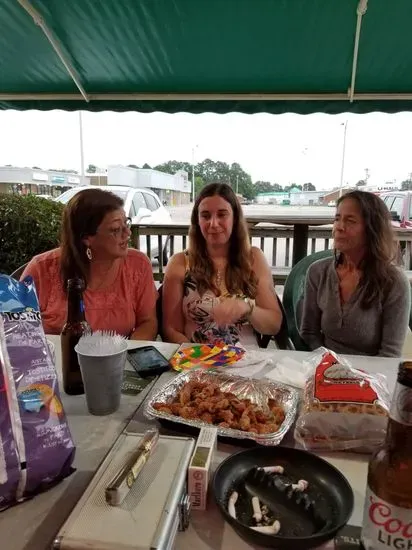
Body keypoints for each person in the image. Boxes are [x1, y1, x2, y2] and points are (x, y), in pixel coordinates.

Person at [21, 188, 158, 339]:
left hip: (120, 354)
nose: (127, 233)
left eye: (126, 224)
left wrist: (130, 351)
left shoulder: (137, 265)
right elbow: (16, 330)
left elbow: (148, 322)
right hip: (56, 354)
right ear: (86, 238)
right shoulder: (41, 269)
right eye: (115, 229)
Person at [162, 183, 282, 346]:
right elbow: (171, 330)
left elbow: (274, 325)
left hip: (247, 357)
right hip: (196, 357)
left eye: (222, 215)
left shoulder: (254, 259)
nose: (213, 223)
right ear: (197, 221)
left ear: (235, 218)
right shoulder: (179, 263)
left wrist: (248, 308)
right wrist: (197, 356)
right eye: (205, 216)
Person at [300, 190, 410, 357]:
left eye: (350, 221)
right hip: (326, 366)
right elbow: (309, 333)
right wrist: (331, 365)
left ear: (372, 229)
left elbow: (390, 353)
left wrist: (353, 373)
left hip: (373, 371)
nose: (339, 227)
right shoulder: (318, 272)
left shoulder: (394, 282)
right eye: (337, 219)